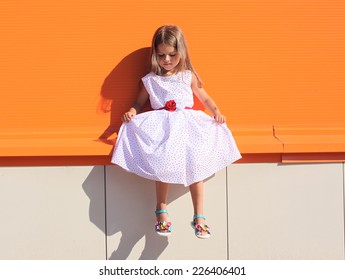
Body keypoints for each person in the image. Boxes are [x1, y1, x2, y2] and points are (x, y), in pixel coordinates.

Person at [111, 25, 241, 239]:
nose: (167, 60)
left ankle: (199, 215)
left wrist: (216, 112)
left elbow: (204, 97)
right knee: (163, 166)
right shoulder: (150, 80)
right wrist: (132, 112)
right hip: (163, 131)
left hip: (188, 127)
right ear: (155, 54)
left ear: (181, 52)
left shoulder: (187, 76)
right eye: (161, 55)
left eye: (172, 54)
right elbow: (138, 101)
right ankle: (161, 210)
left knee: (196, 167)